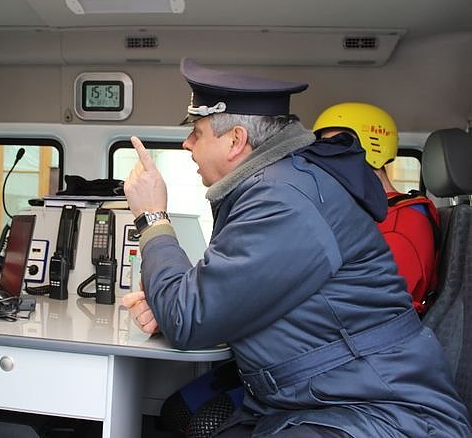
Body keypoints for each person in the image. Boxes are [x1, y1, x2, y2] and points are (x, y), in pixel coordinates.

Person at [122, 58, 471, 437]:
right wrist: (170, 302)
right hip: (315, 399)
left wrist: (152, 217)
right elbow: (206, 304)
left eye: (197, 131)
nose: (187, 143)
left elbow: (188, 319)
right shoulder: (278, 185)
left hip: (379, 410)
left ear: (236, 140)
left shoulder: (283, 199)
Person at [313, 102, 439, 314]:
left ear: (374, 152)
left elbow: (372, 311)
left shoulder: (401, 225)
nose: (326, 160)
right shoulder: (371, 214)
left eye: (338, 148)